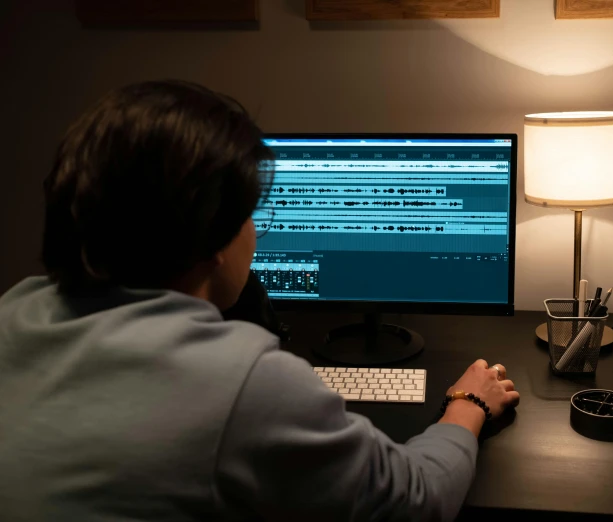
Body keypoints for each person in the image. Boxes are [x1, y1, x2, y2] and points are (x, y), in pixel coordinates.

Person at [0, 80, 520, 522]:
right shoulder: (244, 384)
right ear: (212, 237)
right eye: (250, 213)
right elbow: (420, 500)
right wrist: (468, 404)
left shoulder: (14, 312)